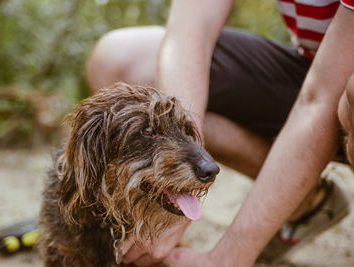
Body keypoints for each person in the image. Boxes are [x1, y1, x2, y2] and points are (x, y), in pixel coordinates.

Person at [86, 0, 354, 266]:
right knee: (121, 59)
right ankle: (306, 202)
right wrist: (178, 175)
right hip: (314, 64)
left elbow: (320, 99)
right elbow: (190, 33)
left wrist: (228, 258)